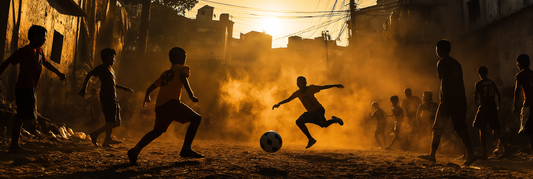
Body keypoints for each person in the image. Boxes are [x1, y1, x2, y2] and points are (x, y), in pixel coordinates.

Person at [128, 47, 204, 166]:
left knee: (157, 131)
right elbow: (184, 79)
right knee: (196, 118)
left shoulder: (165, 73)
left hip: (160, 105)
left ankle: (135, 150)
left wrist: (147, 97)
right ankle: (186, 148)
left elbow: (150, 88)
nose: (185, 58)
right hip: (172, 103)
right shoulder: (184, 68)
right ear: (178, 58)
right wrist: (191, 94)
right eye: (184, 56)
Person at [0, 25, 66, 153]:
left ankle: (15, 145)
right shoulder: (26, 51)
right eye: (43, 36)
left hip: (30, 87)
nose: (45, 39)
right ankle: (14, 146)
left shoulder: (39, 51)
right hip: (23, 87)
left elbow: (45, 63)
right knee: (21, 116)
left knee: (24, 116)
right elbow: (8, 61)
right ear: (35, 36)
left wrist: (59, 73)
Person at [417, 40, 477, 166]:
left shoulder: (442, 62)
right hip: (459, 99)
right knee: (460, 128)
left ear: (439, 49)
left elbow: (444, 82)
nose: (436, 51)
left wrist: (443, 100)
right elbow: (460, 83)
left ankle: (432, 155)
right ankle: (470, 154)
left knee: (437, 128)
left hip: (448, 100)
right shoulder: (457, 63)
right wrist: (463, 100)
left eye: (436, 49)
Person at [79, 48, 134, 147]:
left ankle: (96, 134)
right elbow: (89, 74)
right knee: (110, 120)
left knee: (117, 122)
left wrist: (124, 88)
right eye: (113, 57)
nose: (114, 60)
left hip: (113, 97)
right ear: (107, 57)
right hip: (106, 97)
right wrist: (84, 88)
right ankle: (107, 139)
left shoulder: (111, 69)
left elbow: (113, 84)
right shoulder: (102, 68)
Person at [272, 76, 344, 149]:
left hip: (319, 110)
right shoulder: (298, 93)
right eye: (298, 83)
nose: (300, 85)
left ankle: (335, 120)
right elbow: (288, 99)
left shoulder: (311, 88)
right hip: (310, 113)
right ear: (297, 84)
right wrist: (279, 104)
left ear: (305, 83)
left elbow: (323, 87)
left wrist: (335, 85)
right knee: (299, 122)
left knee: (324, 124)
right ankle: (310, 139)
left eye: (301, 83)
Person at [473, 66, 509, 159]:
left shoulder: (478, 83)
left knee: (482, 129)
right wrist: (498, 106)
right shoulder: (492, 83)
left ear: (479, 74)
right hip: (492, 108)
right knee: (497, 128)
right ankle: (506, 148)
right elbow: (499, 95)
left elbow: (476, 96)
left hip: (484, 107)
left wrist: (476, 103)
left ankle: (484, 153)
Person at [513, 54, 533, 161]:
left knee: (530, 131)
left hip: (529, 104)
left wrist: (515, 105)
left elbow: (516, 91)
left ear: (519, 63)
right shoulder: (532, 74)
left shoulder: (520, 75)